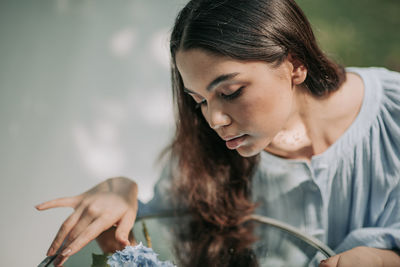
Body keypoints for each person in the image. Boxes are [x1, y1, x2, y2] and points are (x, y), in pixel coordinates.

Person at [36, 0, 400, 266]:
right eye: (199, 101)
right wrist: (121, 193)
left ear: (295, 64)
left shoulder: (393, 111)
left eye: (229, 92)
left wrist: (386, 259)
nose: (215, 120)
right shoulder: (205, 151)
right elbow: (154, 242)